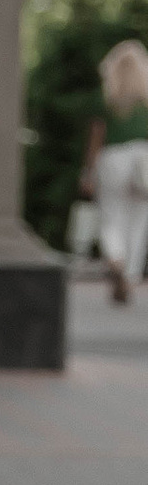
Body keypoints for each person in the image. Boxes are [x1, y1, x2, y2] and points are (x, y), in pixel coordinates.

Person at [83, 38, 148, 303]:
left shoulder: (107, 97)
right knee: (139, 219)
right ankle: (130, 275)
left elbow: (96, 137)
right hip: (144, 157)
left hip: (113, 159)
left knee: (112, 216)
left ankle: (116, 259)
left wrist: (88, 172)